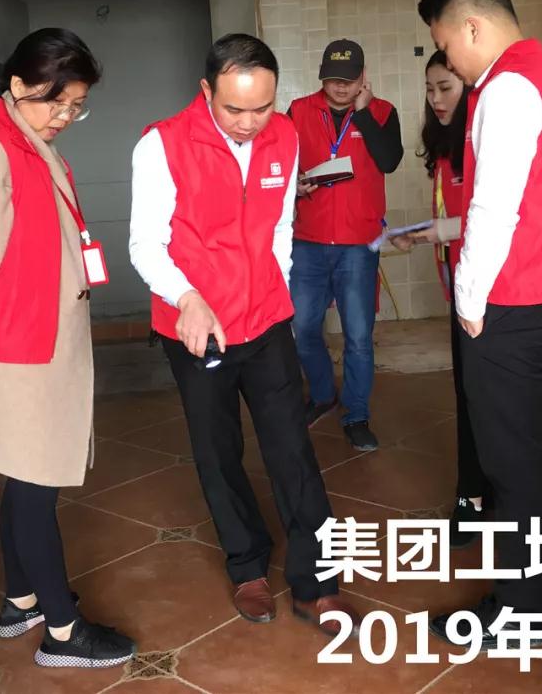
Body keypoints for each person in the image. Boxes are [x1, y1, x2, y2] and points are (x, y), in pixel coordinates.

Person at [128, 33, 358, 636]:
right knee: (218, 448)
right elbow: (145, 243)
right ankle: (247, 563)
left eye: (263, 107)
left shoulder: (284, 135)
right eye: (235, 109)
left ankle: (318, 580)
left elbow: (279, 223)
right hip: (195, 327)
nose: (251, 122)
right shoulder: (162, 144)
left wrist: (277, 292)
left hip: (265, 320)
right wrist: (187, 298)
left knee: (292, 447)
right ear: (206, 91)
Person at [0, 28, 137, 669]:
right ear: (18, 85)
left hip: (38, 341)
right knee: (37, 486)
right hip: (19, 347)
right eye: (55, 101)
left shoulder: (29, 143)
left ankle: (21, 601)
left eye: (76, 106)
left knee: (25, 479)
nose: (64, 116)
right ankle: (63, 633)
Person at [415, 0, 542, 648]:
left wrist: (470, 299)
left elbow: (494, 207)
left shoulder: (503, 89)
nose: (452, 62)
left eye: (447, 45)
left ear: (471, 26)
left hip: (518, 302)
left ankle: (520, 610)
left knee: (512, 457)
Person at [390, 51, 489, 548]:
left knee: (489, 398)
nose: (436, 98)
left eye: (445, 87)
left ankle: (485, 497)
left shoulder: (484, 140)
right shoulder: (447, 145)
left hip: (493, 292)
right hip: (462, 287)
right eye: (430, 89)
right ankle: (473, 493)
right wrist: (428, 233)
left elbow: (493, 217)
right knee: (469, 394)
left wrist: (437, 231)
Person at [287, 40, 405, 451]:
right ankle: (323, 395)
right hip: (308, 240)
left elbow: (389, 160)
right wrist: (294, 185)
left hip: (358, 243)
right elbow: (281, 164)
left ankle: (356, 414)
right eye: (333, 80)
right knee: (302, 327)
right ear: (322, 77)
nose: (340, 87)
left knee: (358, 335)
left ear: (363, 77)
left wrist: (364, 113)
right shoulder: (299, 111)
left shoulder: (383, 111)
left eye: (349, 80)